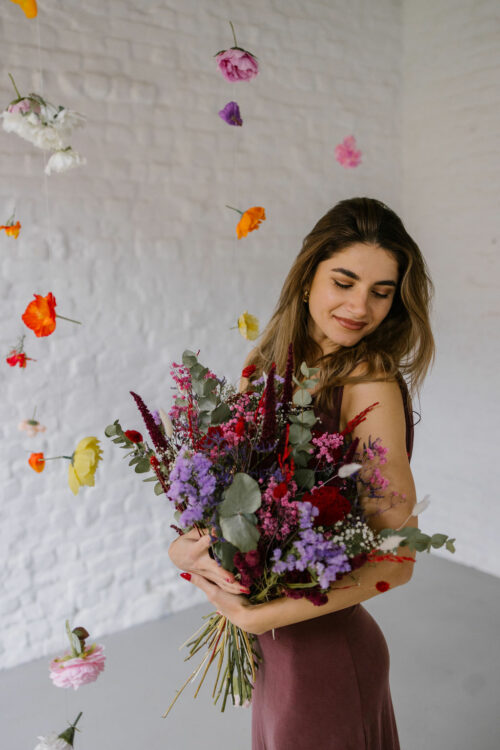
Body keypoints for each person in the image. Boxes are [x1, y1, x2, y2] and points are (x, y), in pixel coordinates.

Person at [168, 197, 435, 749]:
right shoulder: (262, 367)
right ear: (308, 274)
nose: (360, 307)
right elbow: (231, 498)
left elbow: (398, 562)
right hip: (275, 650)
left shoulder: (369, 387)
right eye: (345, 281)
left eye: (381, 292)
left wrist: (258, 617)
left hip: (325, 659)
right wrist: (189, 552)